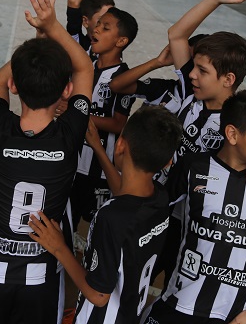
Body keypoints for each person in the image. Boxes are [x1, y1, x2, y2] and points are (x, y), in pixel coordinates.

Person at [0, 0, 93, 324]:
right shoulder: (69, 136)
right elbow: (84, 70)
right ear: (65, 91)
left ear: (16, 86)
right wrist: (52, 29)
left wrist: (31, 48)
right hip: (39, 278)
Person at [28, 106, 183, 324]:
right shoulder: (159, 197)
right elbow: (126, 196)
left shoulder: (111, 217)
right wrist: (98, 150)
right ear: (168, 162)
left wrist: (58, 247)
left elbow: (98, 295)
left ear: (120, 145)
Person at [143, 90, 246, 324]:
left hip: (233, 314)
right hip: (180, 302)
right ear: (232, 134)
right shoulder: (193, 167)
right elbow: (157, 221)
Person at [70, 7, 138, 233]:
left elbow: (118, 124)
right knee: (64, 218)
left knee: (99, 227)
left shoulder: (123, 77)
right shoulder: (85, 65)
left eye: (105, 27)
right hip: (73, 160)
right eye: (97, 24)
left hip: (98, 169)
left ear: (121, 41)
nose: (96, 29)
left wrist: (77, 113)